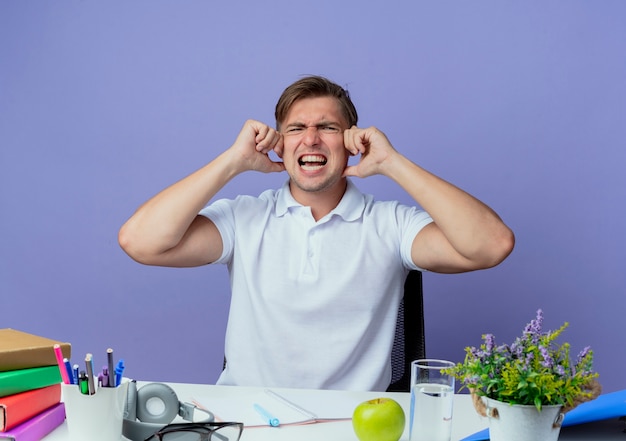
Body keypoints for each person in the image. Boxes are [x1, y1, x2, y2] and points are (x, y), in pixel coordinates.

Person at [118, 75, 514, 391]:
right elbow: (139, 241)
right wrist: (233, 162)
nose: (310, 138)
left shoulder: (391, 224)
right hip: (247, 420)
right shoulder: (244, 218)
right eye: (296, 129)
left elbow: (492, 245)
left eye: (327, 127)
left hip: (352, 425)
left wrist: (393, 163)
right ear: (280, 143)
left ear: (351, 141)